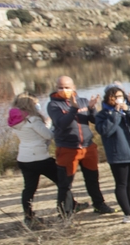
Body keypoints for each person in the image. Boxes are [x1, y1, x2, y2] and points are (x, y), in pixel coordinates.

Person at [47, 76, 114, 217]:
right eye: (60, 87)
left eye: (67, 87)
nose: (64, 90)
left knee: (92, 179)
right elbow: (61, 123)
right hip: (67, 148)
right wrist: (73, 109)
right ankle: (65, 212)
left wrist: (92, 109)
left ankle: (99, 204)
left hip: (88, 147)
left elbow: (95, 121)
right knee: (65, 183)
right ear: (56, 88)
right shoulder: (53, 105)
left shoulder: (83, 101)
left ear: (74, 87)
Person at [94, 85, 130, 223]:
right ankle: (127, 214)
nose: (119, 100)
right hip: (118, 155)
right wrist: (116, 114)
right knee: (121, 184)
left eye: (121, 96)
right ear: (109, 98)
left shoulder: (127, 110)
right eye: (116, 97)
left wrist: (129, 109)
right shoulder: (102, 115)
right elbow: (106, 131)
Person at [9, 93, 61, 227]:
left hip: (24, 158)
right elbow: (48, 135)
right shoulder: (33, 120)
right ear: (30, 105)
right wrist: (50, 125)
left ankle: (29, 216)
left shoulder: (17, 121)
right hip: (39, 157)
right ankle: (67, 207)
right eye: (35, 104)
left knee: (29, 189)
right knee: (62, 181)